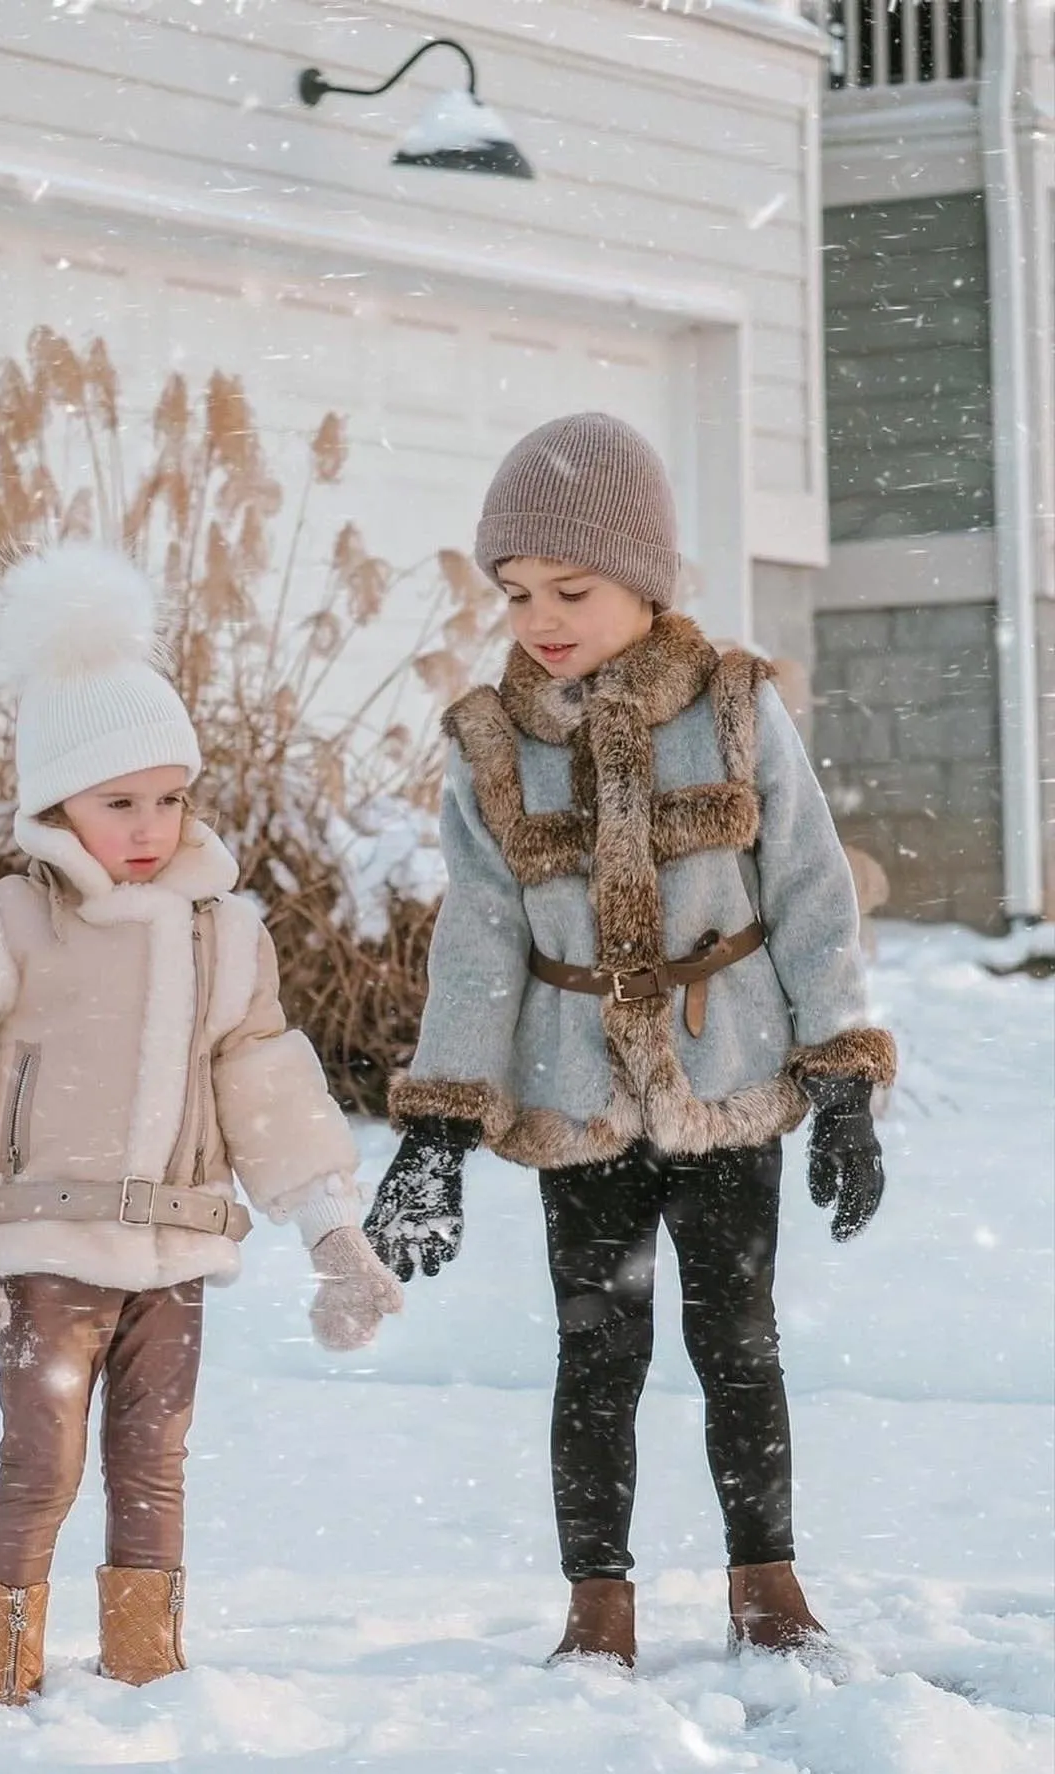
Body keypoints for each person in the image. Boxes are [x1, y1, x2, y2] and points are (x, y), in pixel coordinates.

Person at [364, 413, 894, 1670]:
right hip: (576, 1092)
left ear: (644, 582)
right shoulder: (496, 745)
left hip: (727, 1079)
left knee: (738, 1339)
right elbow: (482, 937)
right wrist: (438, 1127)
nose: (539, 615)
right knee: (597, 1352)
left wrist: (844, 1082)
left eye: (571, 587)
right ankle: (596, 1606)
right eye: (515, 592)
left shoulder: (731, 707)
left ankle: (767, 1583)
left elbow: (813, 892)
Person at [0, 542, 401, 1705]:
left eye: (171, 798)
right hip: (45, 1259)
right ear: (56, 804)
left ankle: (147, 1669)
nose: (151, 825)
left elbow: (264, 1079)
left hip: (177, 1255)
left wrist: (328, 1229)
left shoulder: (224, 934)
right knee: (39, 1464)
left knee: (154, 1467)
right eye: (120, 802)